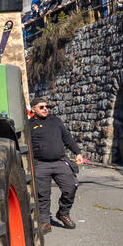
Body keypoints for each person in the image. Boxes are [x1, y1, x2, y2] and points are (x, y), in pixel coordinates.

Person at [29, 98, 83, 231]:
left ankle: (63, 213)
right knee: (43, 194)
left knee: (71, 186)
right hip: (40, 164)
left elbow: (67, 138)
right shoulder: (29, 125)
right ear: (33, 109)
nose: (45, 109)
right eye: (41, 107)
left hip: (60, 161)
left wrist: (78, 152)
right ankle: (45, 221)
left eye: (46, 106)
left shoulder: (55, 121)